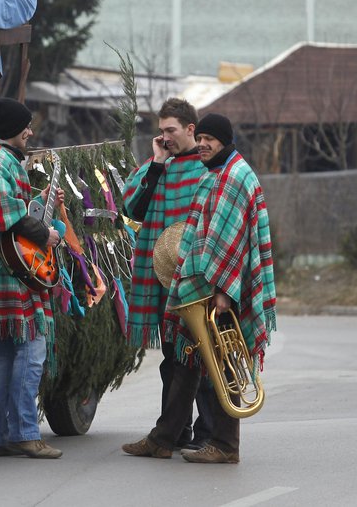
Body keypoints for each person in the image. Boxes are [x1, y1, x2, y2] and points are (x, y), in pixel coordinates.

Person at [122, 113, 277, 464]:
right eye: (202, 138)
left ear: (223, 140)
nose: (204, 144)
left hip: (220, 292)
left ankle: (225, 445)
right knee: (186, 362)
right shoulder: (218, 172)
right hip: (204, 289)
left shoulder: (233, 176)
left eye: (210, 139)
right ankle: (164, 438)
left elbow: (233, 241)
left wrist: (224, 291)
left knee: (222, 364)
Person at [0, 97, 62, 459]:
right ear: (12, 130)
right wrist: (44, 235)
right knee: (32, 350)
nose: (31, 132)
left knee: (7, 352)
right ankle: (23, 433)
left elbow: (11, 206)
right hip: (9, 267)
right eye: (26, 127)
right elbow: (2, 215)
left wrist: (42, 199)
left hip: (11, 265)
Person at [122, 98, 214, 450]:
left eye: (170, 130)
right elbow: (133, 208)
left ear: (191, 129)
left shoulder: (207, 167)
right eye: (160, 131)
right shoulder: (158, 165)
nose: (164, 137)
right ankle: (176, 433)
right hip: (162, 278)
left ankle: (208, 433)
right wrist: (158, 164)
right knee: (173, 358)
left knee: (204, 357)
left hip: (197, 279)